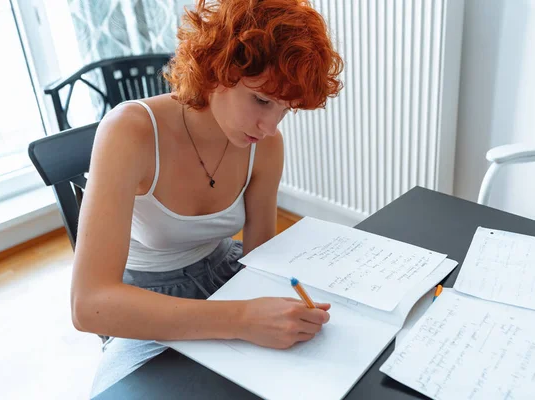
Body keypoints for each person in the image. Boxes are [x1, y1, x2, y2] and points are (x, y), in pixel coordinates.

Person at [70, 0, 344, 396]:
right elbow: (89, 304)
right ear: (218, 68)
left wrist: (278, 306)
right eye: (263, 100)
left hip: (225, 276)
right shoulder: (129, 132)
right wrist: (240, 319)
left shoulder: (265, 145)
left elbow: (261, 256)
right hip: (144, 302)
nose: (270, 126)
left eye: (286, 108)